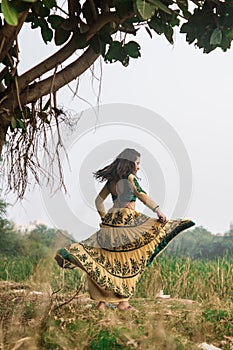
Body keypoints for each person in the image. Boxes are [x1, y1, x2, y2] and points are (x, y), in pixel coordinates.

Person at [55, 148, 194, 310]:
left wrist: (105, 219)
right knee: (129, 260)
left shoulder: (111, 182)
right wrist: (158, 211)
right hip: (128, 221)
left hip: (112, 221)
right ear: (130, 163)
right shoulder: (130, 178)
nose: (139, 167)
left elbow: (98, 202)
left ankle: (102, 303)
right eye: (137, 163)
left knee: (106, 259)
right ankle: (123, 303)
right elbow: (142, 195)